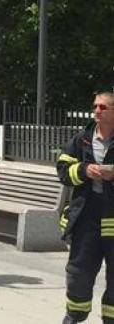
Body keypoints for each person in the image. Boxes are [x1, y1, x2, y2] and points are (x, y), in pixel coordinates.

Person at [57, 91, 114, 324]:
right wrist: (83, 170)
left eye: (103, 107)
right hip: (86, 217)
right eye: (95, 106)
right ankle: (74, 316)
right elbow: (62, 169)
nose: (97, 111)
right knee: (79, 272)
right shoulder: (82, 139)